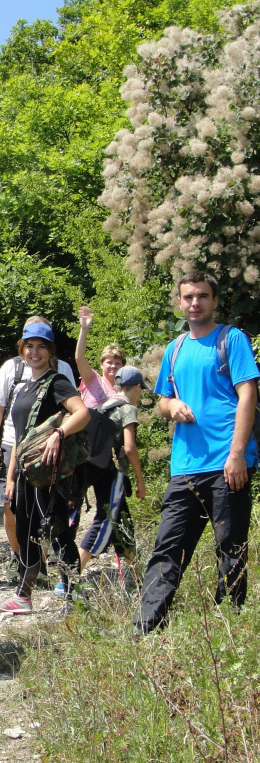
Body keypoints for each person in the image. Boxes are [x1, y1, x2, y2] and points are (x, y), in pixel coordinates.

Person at [135, 271, 259, 635]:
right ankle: (146, 628)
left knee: (230, 548)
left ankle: (229, 625)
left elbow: (248, 395)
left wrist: (237, 454)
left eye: (202, 296)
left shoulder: (231, 339)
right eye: (188, 297)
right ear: (180, 302)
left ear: (214, 301)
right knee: (168, 546)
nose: (195, 303)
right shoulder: (175, 349)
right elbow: (161, 401)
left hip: (227, 463)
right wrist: (171, 407)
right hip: (185, 466)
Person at [0, 322, 90, 614]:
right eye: (29, 346)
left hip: (49, 473)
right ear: (22, 349)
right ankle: (25, 595)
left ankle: (74, 595)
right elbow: (22, 437)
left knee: (56, 530)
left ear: (50, 352)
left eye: (41, 346)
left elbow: (82, 412)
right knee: (25, 532)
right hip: (25, 473)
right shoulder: (25, 387)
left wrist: (59, 434)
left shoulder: (57, 382)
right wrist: (10, 477)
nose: (35, 352)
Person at [75, 365, 148, 583]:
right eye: (141, 389)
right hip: (113, 474)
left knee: (123, 522)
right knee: (104, 521)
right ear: (136, 387)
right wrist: (140, 481)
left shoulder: (104, 405)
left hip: (98, 469)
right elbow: (129, 448)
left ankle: (135, 577)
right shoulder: (127, 409)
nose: (140, 393)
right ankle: (69, 577)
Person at [76, 306, 127, 408]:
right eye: (109, 362)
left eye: (117, 363)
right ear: (101, 364)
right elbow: (79, 357)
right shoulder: (92, 378)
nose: (113, 366)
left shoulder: (126, 390)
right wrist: (84, 329)